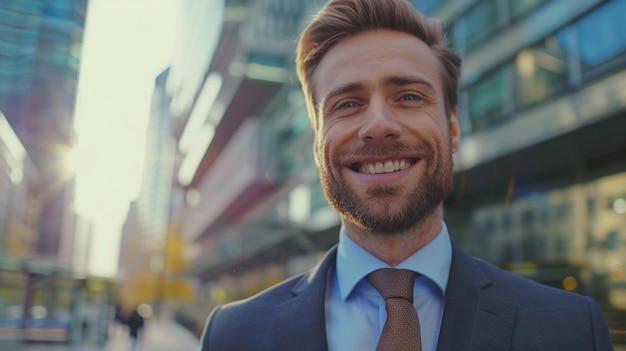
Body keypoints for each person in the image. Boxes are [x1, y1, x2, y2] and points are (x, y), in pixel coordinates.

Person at [200, 0, 613, 350]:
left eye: (409, 96)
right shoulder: (233, 335)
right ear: (316, 143)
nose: (378, 125)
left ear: (453, 129)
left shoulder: (572, 328)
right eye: (347, 104)